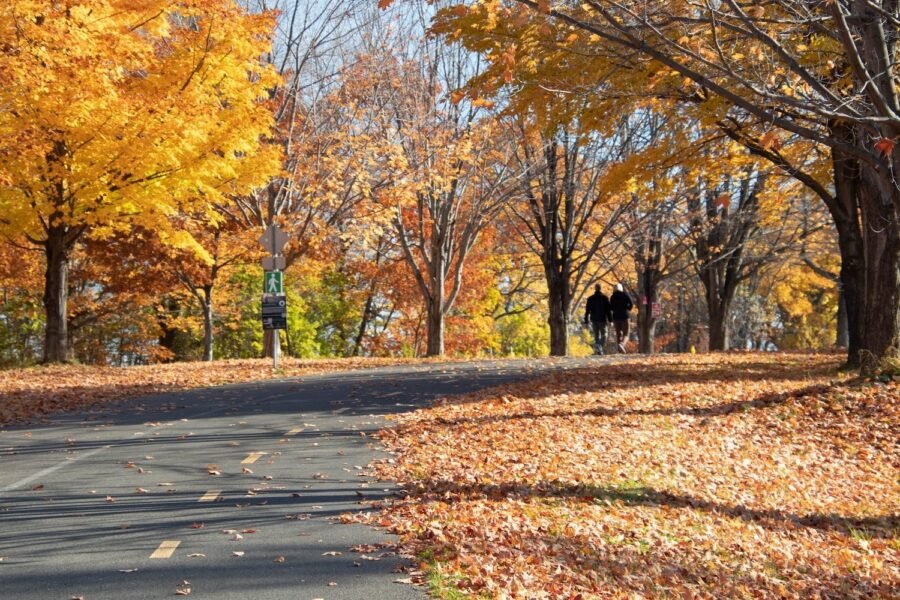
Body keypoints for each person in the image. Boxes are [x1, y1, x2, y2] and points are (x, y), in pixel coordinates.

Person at [583, 285, 612, 355]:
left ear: (595, 289)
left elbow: (587, 310)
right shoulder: (605, 298)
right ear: (600, 289)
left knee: (596, 335)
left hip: (594, 319)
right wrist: (610, 320)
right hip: (602, 319)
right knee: (604, 334)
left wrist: (586, 320)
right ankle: (599, 347)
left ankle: (599, 350)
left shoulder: (590, 299)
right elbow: (608, 310)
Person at [610, 283, 633, 353]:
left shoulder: (612, 297)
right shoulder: (625, 295)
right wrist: (628, 309)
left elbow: (611, 307)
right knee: (626, 333)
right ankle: (622, 344)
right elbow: (631, 303)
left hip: (616, 316)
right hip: (625, 315)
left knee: (618, 333)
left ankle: (619, 349)